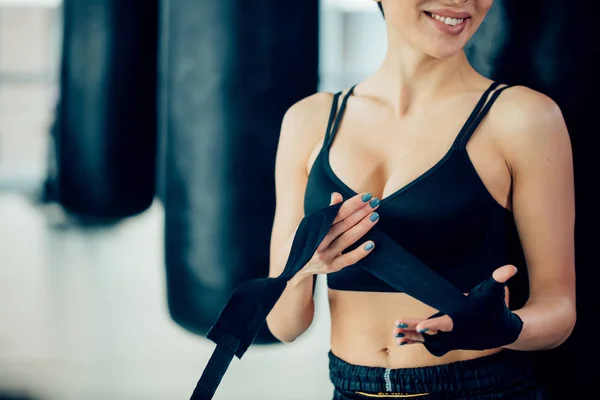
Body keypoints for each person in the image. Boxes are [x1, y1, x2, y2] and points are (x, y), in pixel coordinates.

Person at [265, 0, 575, 399]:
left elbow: (560, 308)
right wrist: (305, 267)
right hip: (350, 388)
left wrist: (506, 328)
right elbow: (284, 325)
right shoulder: (308, 121)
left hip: (483, 388)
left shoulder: (523, 117)